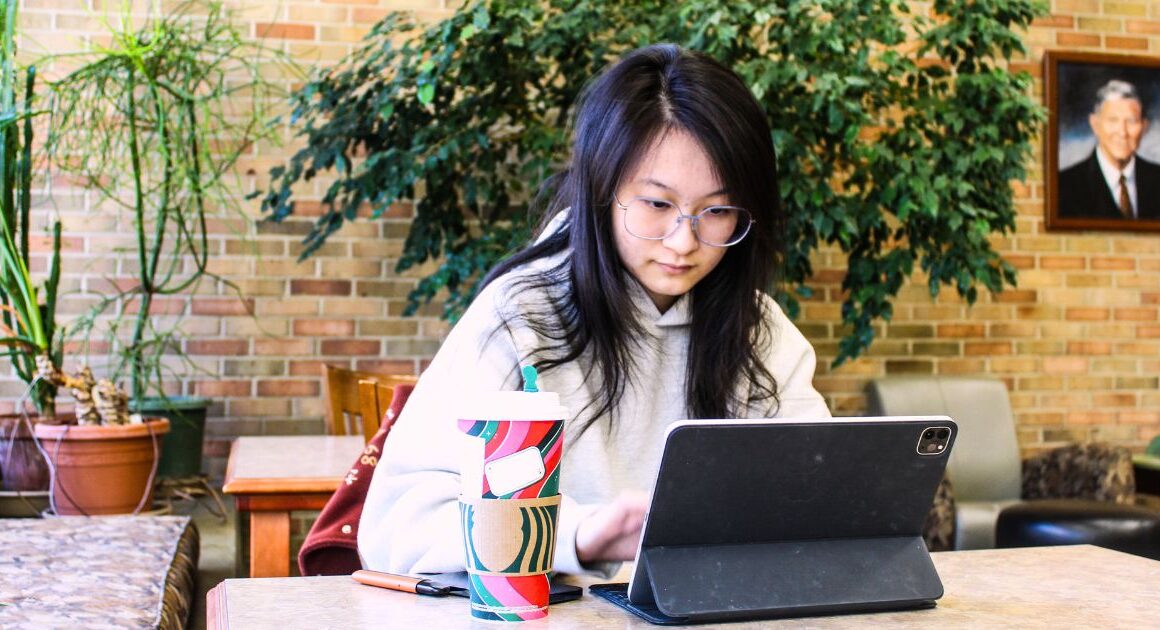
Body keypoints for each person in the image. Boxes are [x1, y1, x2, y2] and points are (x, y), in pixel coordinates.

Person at [358, 44, 830, 576]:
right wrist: (577, 536)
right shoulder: (521, 318)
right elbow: (397, 526)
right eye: (657, 204)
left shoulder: (761, 334)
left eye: (717, 211)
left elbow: (816, 506)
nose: (683, 242)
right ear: (602, 190)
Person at [1058, 79, 1160, 220]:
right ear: (1095, 124)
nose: (1123, 132)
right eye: (1113, 120)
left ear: (1144, 126)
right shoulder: (1065, 186)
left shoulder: (1156, 178)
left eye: (1131, 121)